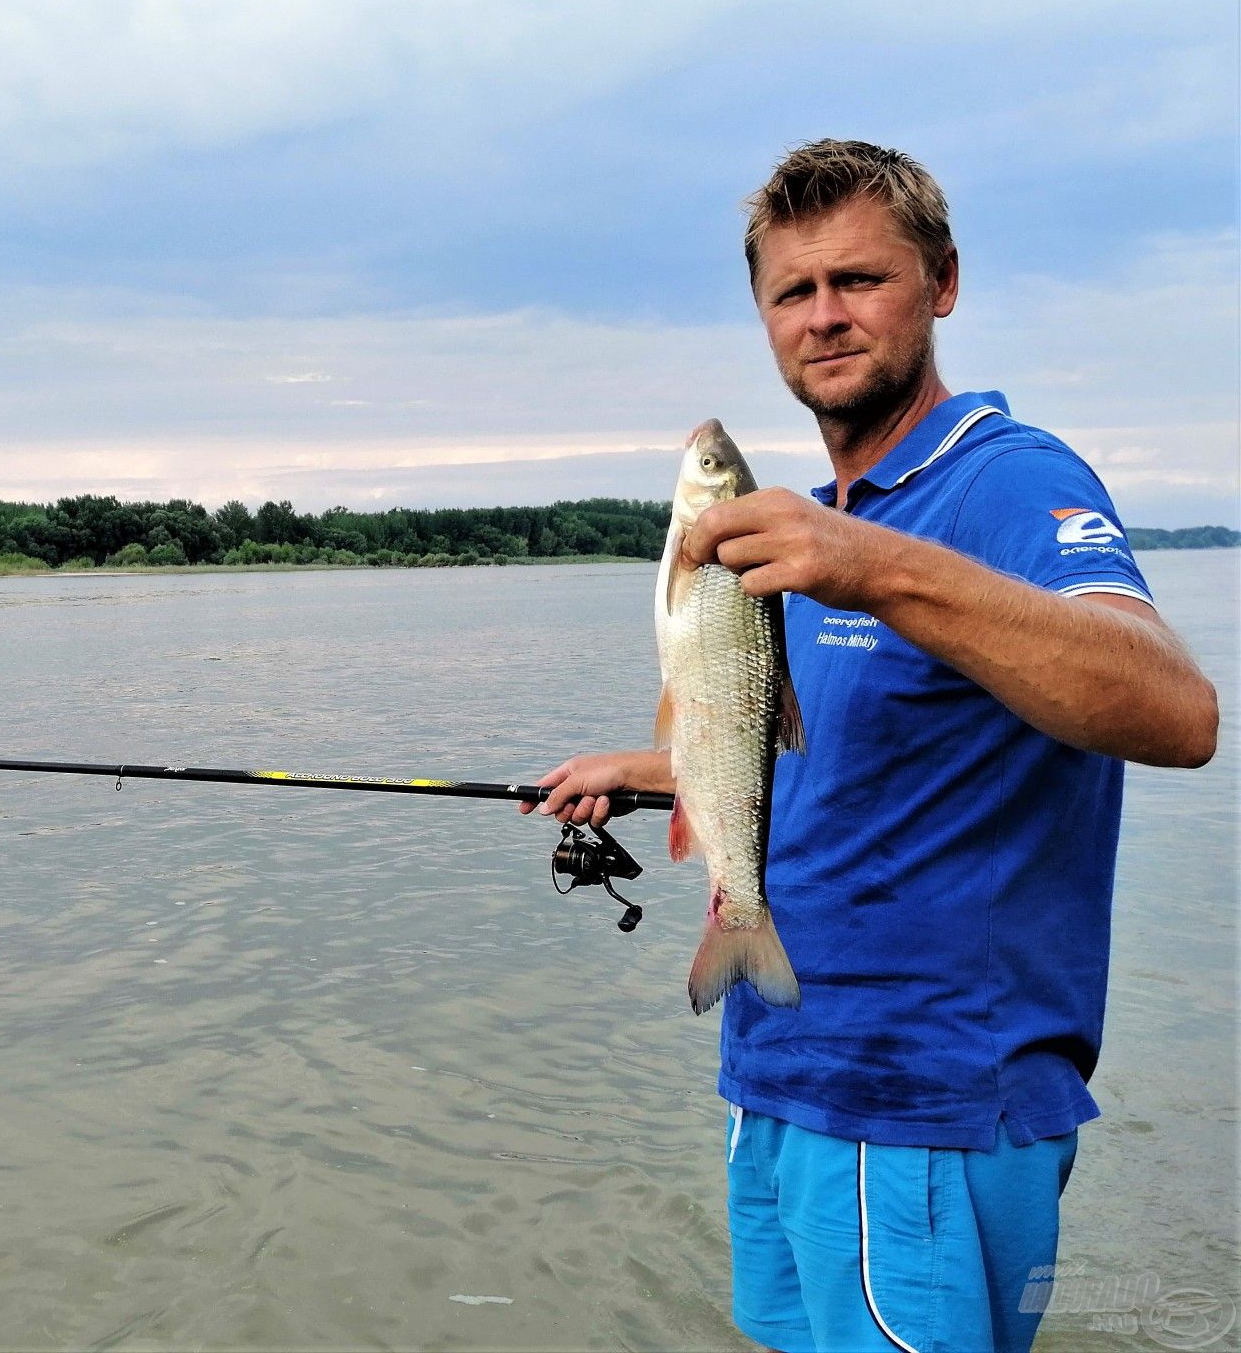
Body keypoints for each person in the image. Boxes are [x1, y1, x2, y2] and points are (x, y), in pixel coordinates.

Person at [522, 139, 1218, 1353]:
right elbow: (838, 750)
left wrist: (872, 569)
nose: (825, 317)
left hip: (924, 1111)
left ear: (942, 284)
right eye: (794, 292)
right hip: (785, 1072)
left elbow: (1175, 712)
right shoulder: (830, 519)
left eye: (861, 281)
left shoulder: (1003, 482)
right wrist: (644, 773)